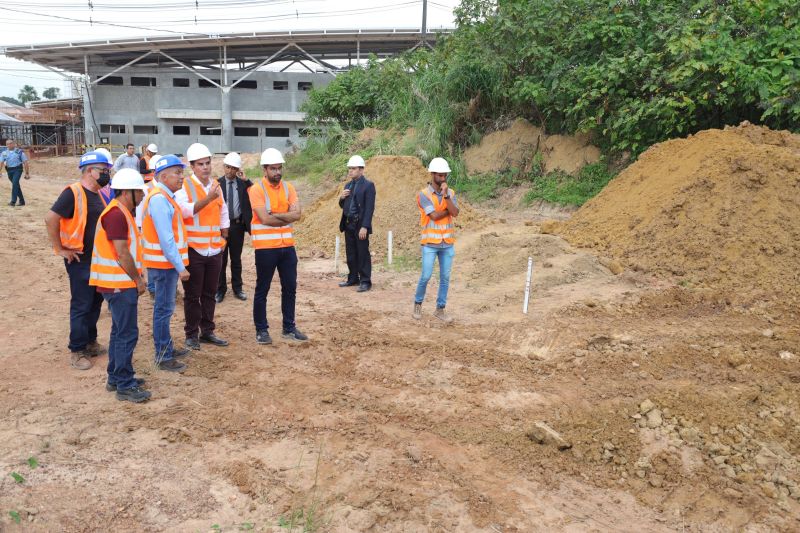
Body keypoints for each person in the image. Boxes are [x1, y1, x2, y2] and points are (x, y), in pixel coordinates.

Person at [44, 150, 112, 369]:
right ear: (90, 171)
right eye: (103, 170)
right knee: (82, 304)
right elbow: (50, 218)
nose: (106, 174)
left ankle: (90, 341)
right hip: (80, 260)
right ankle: (77, 349)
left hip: (98, 260)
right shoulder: (73, 192)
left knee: (95, 302)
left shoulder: (100, 194)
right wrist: (59, 248)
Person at [88, 168, 151, 403]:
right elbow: (123, 253)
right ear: (127, 192)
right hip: (118, 283)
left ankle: (116, 378)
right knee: (127, 334)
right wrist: (138, 280)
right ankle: (125, 383)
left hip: (116, 282)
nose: (143, 196)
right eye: (139, 192)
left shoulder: (121, 211)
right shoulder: (115, 214)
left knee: (119, 332)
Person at [249, 148, 307, 345]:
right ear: (265, 169)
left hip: (287, 247)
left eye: (279, 168)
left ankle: (289, 327)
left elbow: (297, 215)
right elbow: (264, 219)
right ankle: (261, 330)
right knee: (262, 290)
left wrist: (276, 214)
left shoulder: (288, 187)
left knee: (290, 288)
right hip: (266, 249)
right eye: (273, 169)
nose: (277, 172)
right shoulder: (256, 190)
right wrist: (283, 215)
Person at [175, 143, 229, 350]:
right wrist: (209, 198)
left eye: (208, 163)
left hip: (214, 249)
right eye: (201, 164)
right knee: (192, 295)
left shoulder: (215, 185)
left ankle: (207, 331)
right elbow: (186, 211)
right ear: (192, 166)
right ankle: (191, 334)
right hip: (194, 249)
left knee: (209, 293)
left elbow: (222, 210)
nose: (206, 167)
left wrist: (225, 234)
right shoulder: (184, 187)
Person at [141, 155, 191, 372]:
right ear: (162, 175)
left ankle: (167, 347)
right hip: (163, 266)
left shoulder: (166, 197)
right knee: (163, 309)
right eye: (177, 173)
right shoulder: (160, 199)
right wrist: (181, 267)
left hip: (164, 265)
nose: (182, 177)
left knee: (165, 308)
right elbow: (166, 238)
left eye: (182, 172)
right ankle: (163, 354)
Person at [413, 157, 460, 323]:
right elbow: (433, 215)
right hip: (430, 244)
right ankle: (418, 303)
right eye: (440, 175)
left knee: (445, 278)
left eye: (445, 175)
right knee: (425, 276)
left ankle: (440, 309)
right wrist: (448, 211)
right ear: (432, 174)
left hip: (447, 243)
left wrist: (446, 197)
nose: (443, 178)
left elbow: (455, 212)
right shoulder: (423, 195)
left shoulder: (451, 193)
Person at [216, 152, 252, 303]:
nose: (230, 171)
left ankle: (238, 288)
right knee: (221, 261)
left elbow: (257, 193)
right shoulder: (217, 184)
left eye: (233, 168)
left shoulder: (243, 184)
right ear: (224, 167)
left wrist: (248, 181)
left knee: (236, 259)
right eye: (228, 167)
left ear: (238, 169)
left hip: (237, 227)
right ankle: (220, 290)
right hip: (221, 229)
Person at [337, 155, 376, 292]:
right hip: (348, 224)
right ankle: (353, 278)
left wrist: (365, 226)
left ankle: (365, 281)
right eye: (349, 169)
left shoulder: (368, 186)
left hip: (360, 225)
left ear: (361, 170)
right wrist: (341, 198)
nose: (350, 171)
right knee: (351, 253)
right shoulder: (348, 185)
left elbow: (369, 208)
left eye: (353, 168)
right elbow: (344, 205)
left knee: (362, 253)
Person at [136, 154, 161, 297]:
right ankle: (152, 288)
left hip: (162, 229)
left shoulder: (167, 188)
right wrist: (141, 228)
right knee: (151, 260)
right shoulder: (146, 188)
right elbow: (140, 211)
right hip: (149, 230)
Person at [0, 139, 30, 206]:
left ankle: (13, 201)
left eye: (10, 143)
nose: (9, 145)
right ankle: (22, 201)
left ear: (14, 144)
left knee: (14, 184)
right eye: (7, 144)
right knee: (16, 185)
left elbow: (25, 162)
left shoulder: (19, 152)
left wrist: (27, 173)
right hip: (9, 170)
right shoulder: (4, 153)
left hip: (18, 169)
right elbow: (1, 162)